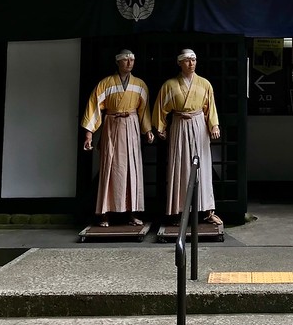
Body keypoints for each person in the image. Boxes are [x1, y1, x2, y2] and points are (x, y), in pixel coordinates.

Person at [81, 49, 153, 227]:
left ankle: (132, 211)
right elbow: (94, 107)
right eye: (125, 60)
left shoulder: (140, 85)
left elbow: (144, 111)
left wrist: (148, 130)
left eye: (132, 59)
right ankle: (104, 212)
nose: (129, 62)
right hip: (112, 126)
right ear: (117, 62)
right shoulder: (106, 84)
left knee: (131, 169)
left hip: (132, 126)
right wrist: (89, 133)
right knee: (110, 168)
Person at [152, 48, 222, 225]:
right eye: (187, 60)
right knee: (180, 166)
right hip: (179, 124)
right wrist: (161, 127)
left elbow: (210, 108)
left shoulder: (204, 84)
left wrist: (214, 125)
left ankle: (207, 210)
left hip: (199, 124)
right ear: (179, 63)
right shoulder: (170, 85)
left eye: (194, 60)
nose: (191, 63)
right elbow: (161, 108)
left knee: (202, 167)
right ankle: (178, 211)